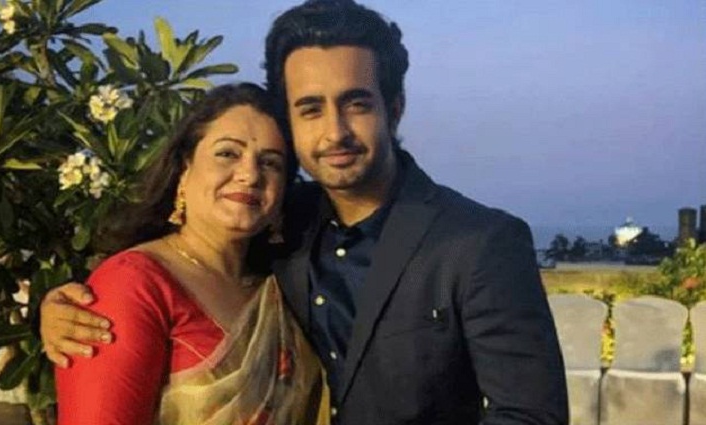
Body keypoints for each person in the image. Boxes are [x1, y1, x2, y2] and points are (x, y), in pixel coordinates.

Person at [41, 1, 569, 423]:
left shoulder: (477, 243)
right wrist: (59, 307)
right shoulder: (283, 225)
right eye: (310, 108)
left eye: (356, 104)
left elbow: (529, 416)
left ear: (394, 107)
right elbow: (167, 274)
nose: (334, 131)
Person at [50, 83, 330, 425]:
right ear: (184, 170)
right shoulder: (133, 284)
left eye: (271, 163)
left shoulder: (284, 290)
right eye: (228, 154)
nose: (250, 174)